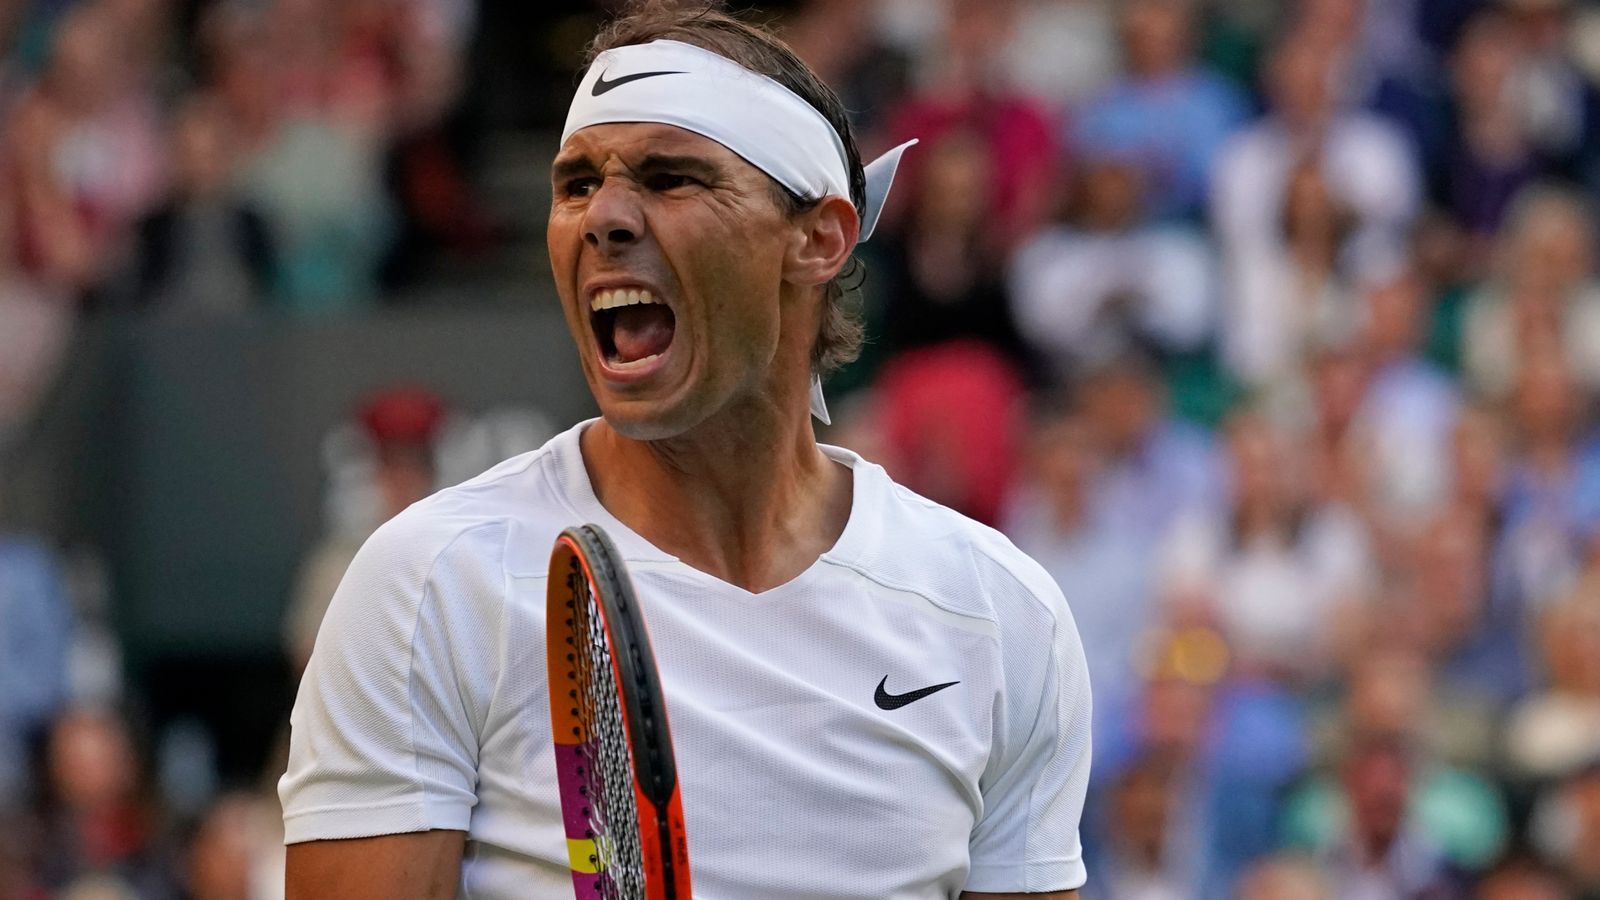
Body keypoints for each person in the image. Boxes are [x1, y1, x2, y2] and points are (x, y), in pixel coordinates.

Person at [278, 5, 1093, 899]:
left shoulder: (1000, 615)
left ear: (819, 238)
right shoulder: (429, 585)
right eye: (577, 183)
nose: (604, 218)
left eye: (670, 178)